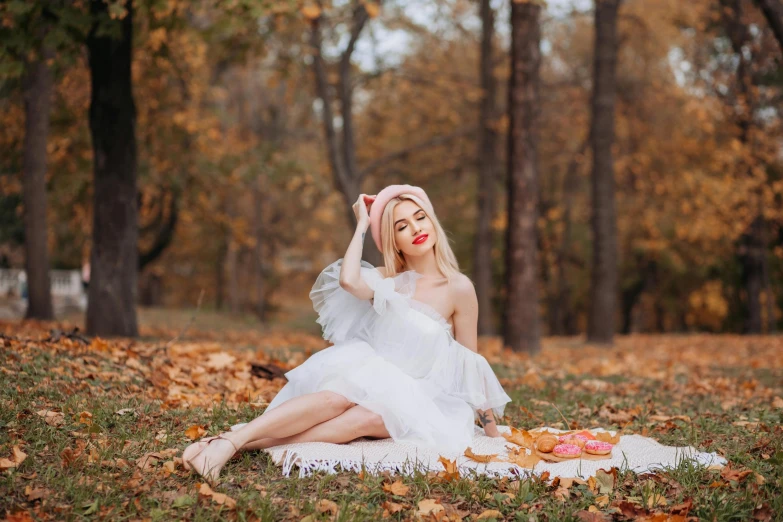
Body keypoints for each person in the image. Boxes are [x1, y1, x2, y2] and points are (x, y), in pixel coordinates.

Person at [182, 184, 512, 484]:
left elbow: (471, 361)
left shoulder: (459, 288)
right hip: (370, 369)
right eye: (402, 226)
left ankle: (235, 444)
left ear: (432, 221)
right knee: (334, 398)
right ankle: (229, 444)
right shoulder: (389, 279)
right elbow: (349, 281)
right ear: (393, 241)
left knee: (364, 418)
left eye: (420, 218)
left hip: (419, 394)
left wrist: (492, 432)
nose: (416, 229)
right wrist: (362, 226)